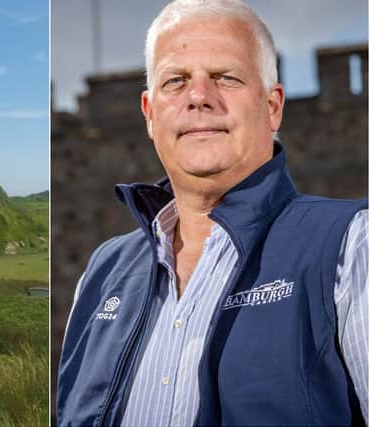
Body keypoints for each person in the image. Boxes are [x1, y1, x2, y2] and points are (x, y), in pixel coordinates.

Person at [56, 0, 368, 425]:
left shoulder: (352, 249)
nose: (199, 97)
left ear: (273, 106)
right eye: (176, 81)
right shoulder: (101, 273)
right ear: (149, 115)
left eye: (227, 77)